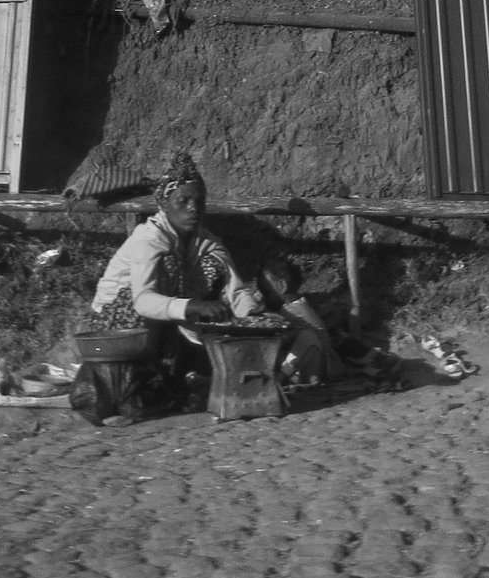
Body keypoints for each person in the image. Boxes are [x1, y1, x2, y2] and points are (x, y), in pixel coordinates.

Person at [86, 152, 367, 401]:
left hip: (165, 320)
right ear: (164, 204)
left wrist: (255, 319)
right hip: (119, 322)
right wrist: (193, 306)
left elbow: (234, 290)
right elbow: (143, 301)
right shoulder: (149, 239)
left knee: (215, 267)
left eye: (199, 201)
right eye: (182, 201)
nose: (193, 208)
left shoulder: (206, 243)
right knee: (170, 274)